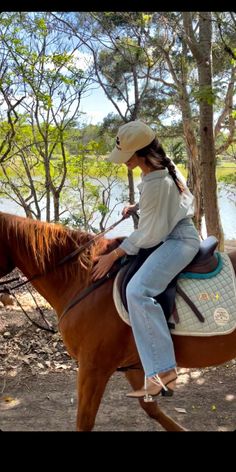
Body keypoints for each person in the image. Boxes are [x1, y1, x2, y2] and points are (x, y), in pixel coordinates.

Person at [92, 120, 200, 399]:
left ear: (139, 153)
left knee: (138, 290)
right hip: (171, 233)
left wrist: (114, 254)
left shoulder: (157, 183)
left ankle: (163, 371)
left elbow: (149, 235)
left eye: (126, 156)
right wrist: (138, 206)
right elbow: (173, 200)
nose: (123, 162)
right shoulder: (162, 168)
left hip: (178, 240)